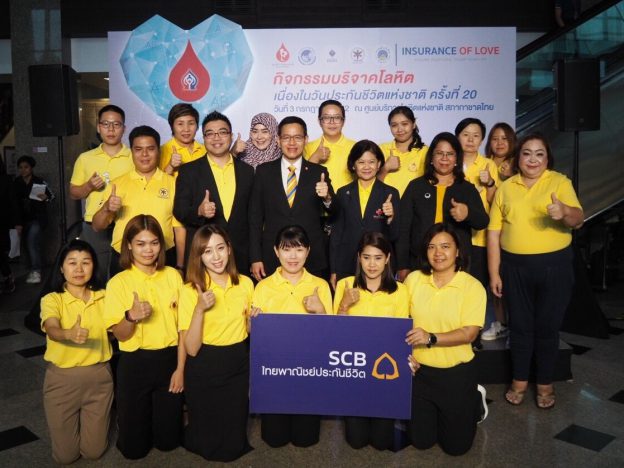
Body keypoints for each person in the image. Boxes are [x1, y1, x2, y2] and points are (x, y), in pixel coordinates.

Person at [488, 133, 584, 409]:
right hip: (514, 268)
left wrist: (564, 211)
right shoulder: (506, 187)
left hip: (555, 267)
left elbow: (578, 219)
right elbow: (494, 233)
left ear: (547, 158)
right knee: (519, 326)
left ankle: (545, 383)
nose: (533, 159)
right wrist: (494, 273)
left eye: (539, 154)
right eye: (527, 153)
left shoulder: (559, 182)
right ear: (518, 157)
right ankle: (519, 380)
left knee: (547, 327)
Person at [103, 215, 185, 459]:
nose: (148, 250)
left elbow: (183, 328)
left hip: (169, 360)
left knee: (168, 442)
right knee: (133, 451)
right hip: (135, 363)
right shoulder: (118, 282)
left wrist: (181, 369)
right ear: (129, 245)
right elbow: (120, 335)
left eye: (154, 243)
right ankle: (127, 423)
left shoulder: (173, 276)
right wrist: (131, 317)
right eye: (140, 243)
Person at [404, 222, 487, 456]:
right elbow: (400, 322)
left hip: (456, 374)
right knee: (421, 441)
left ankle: (475, 400)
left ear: (457, 251)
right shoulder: (413, 279)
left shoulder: (472, 287)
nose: (438, 253)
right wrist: (405, 357)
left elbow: (470, 333)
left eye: (445, 246)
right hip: (419, 373)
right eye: (431, 247)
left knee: (456, 448)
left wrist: (431, 337)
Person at [251, 225, 332, 448]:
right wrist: (253, 323)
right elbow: (255, 337)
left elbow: (330, 336)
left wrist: (320, 310)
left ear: (308, 251)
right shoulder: (263, 287)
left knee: (305, 439)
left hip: (309, 370)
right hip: (275, 371)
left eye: (299, 249)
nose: (293, 256)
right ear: (276, 251)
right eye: (286, 249)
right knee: (274, 439)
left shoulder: (320, 285)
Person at [178, 225, 254, 461]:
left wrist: (255, 321)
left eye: (220, 248)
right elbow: (191, 348)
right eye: (207, 251)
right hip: (204, 364)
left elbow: (248, 331)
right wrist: (199, 309)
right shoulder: (189, 290)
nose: (216, 257)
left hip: (237, 362)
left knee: (233, 442)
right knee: (207, 440)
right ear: (199, 256)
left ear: (229, 249)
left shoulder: (246, 283)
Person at [333, 231, 408, 450]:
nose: (372, 264)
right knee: (356, 441)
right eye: (366, 257)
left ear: (387, 258)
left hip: (383, 369)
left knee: (382, 442)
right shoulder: (345, 285)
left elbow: (401, 334)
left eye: (378, 258)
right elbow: (334, 334)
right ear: (359, 258)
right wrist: (344, 305)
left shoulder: (401, 291)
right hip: (354, 367)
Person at [40, 239, 113, 464]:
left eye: (86, 262)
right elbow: (51, 328)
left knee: (94, 452)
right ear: (61, 268)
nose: (79, 269)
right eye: (72, 263)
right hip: (62, 380)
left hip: (99, 377)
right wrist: (67, 334)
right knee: (65, 457)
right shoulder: (52, 299)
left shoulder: (105, 297)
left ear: (94, 266)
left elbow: (116, 329)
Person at [250, 116, 335, 281]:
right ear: (278, 140)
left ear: (306, 140)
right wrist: (255, 257)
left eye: (297, 137)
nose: (292, 143)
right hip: (272, 256)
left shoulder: (318, 172)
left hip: (311, 256)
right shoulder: (263, 172)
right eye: (286, 137)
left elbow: (334, 211)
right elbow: (255, 218)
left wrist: (327, 197)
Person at [396, 132, 489, 281]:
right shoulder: (416, 187)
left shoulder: (466, 189)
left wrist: (468, 213)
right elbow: (403, 228)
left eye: (450, 154)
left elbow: (483, 221)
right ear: (431, 158)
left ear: (457, 159)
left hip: (456, 265)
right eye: (439, 153)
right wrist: (402, 265)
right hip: (419, 262)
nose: (444, 158)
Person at [92, 125, 184, 276]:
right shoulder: (117, 184)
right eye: (138, 149)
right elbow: (97, 226)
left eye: (150, 149)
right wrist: (107, 208)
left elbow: (179, 228)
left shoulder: (173, 184)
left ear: (159, 151)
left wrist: (180, 266)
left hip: (163, 257)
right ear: (132, 152)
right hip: (124, 258)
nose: (145, 154)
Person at [173, 111, 254, 273]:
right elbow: (179, 211)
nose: (216, 138)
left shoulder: (247, 171)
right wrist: (199, 211)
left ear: (231, 136)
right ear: (203, 138)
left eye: (222, 132)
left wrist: (255, 257)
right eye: (210, 134)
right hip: (204, 256)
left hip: (240, 255)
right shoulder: (189, 171)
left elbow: (253, 216)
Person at [70, 104, 134, 281]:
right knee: (96, 276)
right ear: (98, 127)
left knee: (125, 276)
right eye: (106, 124)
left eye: (116, 124)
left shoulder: (134, 157)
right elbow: (74, 193)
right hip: (94, 225)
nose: (111, 129)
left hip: (126, 223)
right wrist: (89, 186)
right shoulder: (85, 158)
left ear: (124, 128)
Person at [329, 140, 399, 289]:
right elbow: (336, 235)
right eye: (361, 162)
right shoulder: (342, 193)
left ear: (379, 164)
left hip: (378, 267)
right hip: (347, 264)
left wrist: (391, 218)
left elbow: (395, 236)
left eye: (371, 162)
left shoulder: (390, 193)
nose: (366, 167)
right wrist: (334, 270)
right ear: (353, 165)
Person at [482, 122, 517, 340]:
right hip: (484, 230)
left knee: (508, 281)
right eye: (495, 138)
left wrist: (507, 176)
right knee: (492, 281)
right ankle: (500, 322)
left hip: (509, 232)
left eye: (504, 138)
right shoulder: (482, 164)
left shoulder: (519, 165)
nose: (500, 143)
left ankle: (514, 324)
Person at [13, 155, 54, 284]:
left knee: (31, 241)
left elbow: (52, 196)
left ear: (31, 168)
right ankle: (33, 267)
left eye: (26, 167)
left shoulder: (39, 181)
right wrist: (17, 222)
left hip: (38, 218)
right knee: (30, 244)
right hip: (23, 219)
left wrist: (46, 197)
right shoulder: (16, 183)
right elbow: (14, 203)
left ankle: (36, 271)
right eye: (20, 167)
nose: (23, 170)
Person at [304, 100, 356, 190]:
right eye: (326, 117)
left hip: (348, 198)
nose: (332, 122)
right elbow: (302, 181)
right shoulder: (307, 147)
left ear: (343, 121)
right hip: (317, 198)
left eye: (337, 117)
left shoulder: (355, 147)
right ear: (319, 121)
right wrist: (315, 158)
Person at [378, 106, 428, 196]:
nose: (400, 129)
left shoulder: (425, 151)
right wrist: (385, 168)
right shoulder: (381, 149)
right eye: (394, 125)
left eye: (404, 124)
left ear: (413, 124)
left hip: (414, 204)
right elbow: (370, 185)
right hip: (384, 203)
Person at [159, 103, 205, 177]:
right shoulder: (161, 151)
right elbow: (155, 183)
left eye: (191, 123)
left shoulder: (206, 150)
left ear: (197, 126)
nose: (186, 129)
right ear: (171, 126)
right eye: (180, 124)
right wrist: (170, 166)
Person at [0, 163, 20, 294]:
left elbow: (13, 202)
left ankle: (7, 276)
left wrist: (18, 223)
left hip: (2, 221)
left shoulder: (5, 180)